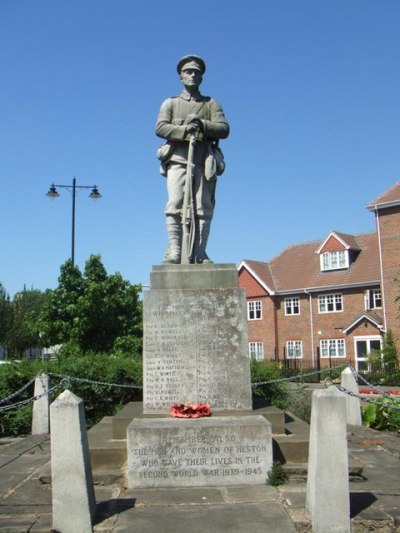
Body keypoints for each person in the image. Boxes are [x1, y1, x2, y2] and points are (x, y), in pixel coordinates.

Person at [156, 54, 230, 264]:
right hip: (178, 159)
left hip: (204, 160)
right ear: (181, 76)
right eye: (188, 71)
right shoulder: (171, 103)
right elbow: (160, 127)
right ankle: (175, 251)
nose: (193, 75)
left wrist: (203, 124)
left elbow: (224, 129)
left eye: (197, 72)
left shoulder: (211, 104)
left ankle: (200, 252)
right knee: (175, 204)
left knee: (203, 207)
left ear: (202, 78)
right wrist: (184, 129)